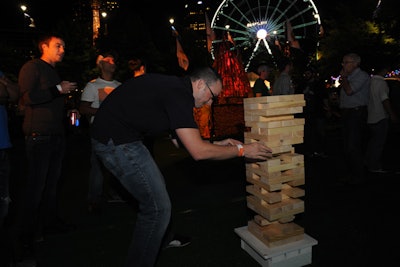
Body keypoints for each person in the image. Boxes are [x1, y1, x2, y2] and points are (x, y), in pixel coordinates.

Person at [91, 66, 273, 267]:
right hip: (117, 142)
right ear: (201, 84)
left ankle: (162, 238)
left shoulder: (174, 89)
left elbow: (180, 141)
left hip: (120, 137)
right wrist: (243, 150)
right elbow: (198, 152)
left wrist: (216, 144)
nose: (210, 102)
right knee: (157, 208)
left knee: (157, 194)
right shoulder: (180, 95)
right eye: (212, 96)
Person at [16, 33, 78, 261]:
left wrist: (68, 108)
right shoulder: (32, 67)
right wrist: (58, 90)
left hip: (56, 136)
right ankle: (26, 237)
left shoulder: (53, 72)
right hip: (39, 136)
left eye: (64, 46)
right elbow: (27, 98)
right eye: (58, 45)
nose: (63, 49)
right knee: (35, 188)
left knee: (52, 186)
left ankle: (49, 224)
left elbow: (53, 98)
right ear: (44, 46)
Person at [80, 52, 121, 213]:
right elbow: (83, 108)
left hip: (117, 131)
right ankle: (94, 199)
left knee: (119, 164)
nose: (112, 62)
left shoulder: (119, 85)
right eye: (108, 60)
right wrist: (104, 112)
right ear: (101, 65)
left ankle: (116, 193)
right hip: (100, 131)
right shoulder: (93, 86)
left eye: (114, 60)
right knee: (97, 166)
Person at [339, 53, 370, 185]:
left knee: (353, 146)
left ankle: (358, 176)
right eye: (343, 62)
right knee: (347, 145)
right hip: (348, 113)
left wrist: (344, 78)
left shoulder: (362, 76)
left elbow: (350, 91)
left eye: (346, 62)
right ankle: (351, 174)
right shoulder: (350, 76)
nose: (343, 65)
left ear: (356, 63)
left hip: (356, 113)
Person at [365, 64, 398, 173]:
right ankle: (374, 165)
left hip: (370, 115)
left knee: (373, 142)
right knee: (378, 143)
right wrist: (392, 114)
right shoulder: (381, 83)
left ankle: (369, 162)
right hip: (380, 116)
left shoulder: (369, 82)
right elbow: (385, 100)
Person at [0, 72, 19, 228]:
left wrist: (6, 85)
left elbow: (14, 94)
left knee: (5, 200)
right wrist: (4, 86)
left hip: (3, 145)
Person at [301, 67, 330, 158]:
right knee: (309, 132)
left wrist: (328, 109)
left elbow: (324, 97)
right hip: (307, 112)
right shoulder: (302, 85)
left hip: (318, 111)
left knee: (320, 132)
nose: (306, 75)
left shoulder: (318, 84)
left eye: (308, 73)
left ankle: (321, 150)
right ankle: (310, 151)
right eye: (305, 74)